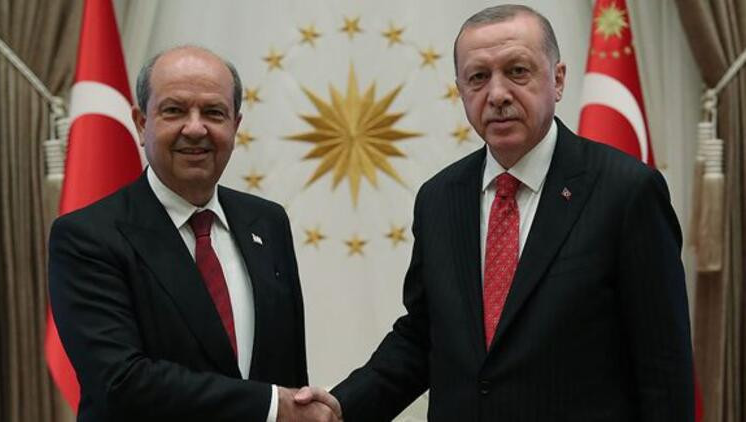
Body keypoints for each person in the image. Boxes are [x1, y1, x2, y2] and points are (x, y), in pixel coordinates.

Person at [297, 4, 693, 421]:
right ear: (460, 91)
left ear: (557, 80)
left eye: (517, 71)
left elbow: (664, 370)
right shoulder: (438, 198)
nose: (498, 94)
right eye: (478, 77)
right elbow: (423, 336)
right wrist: (342, 406)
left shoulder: (626, 191)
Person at [49, 46, 340, 421]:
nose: (195, 128)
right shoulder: (87, 237)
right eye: (174, 110)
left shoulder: (267, 222)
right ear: (141, 123)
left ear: (235, 126)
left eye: (214, 113)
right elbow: (121, 382)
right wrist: (271, 407)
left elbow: (288, 369)